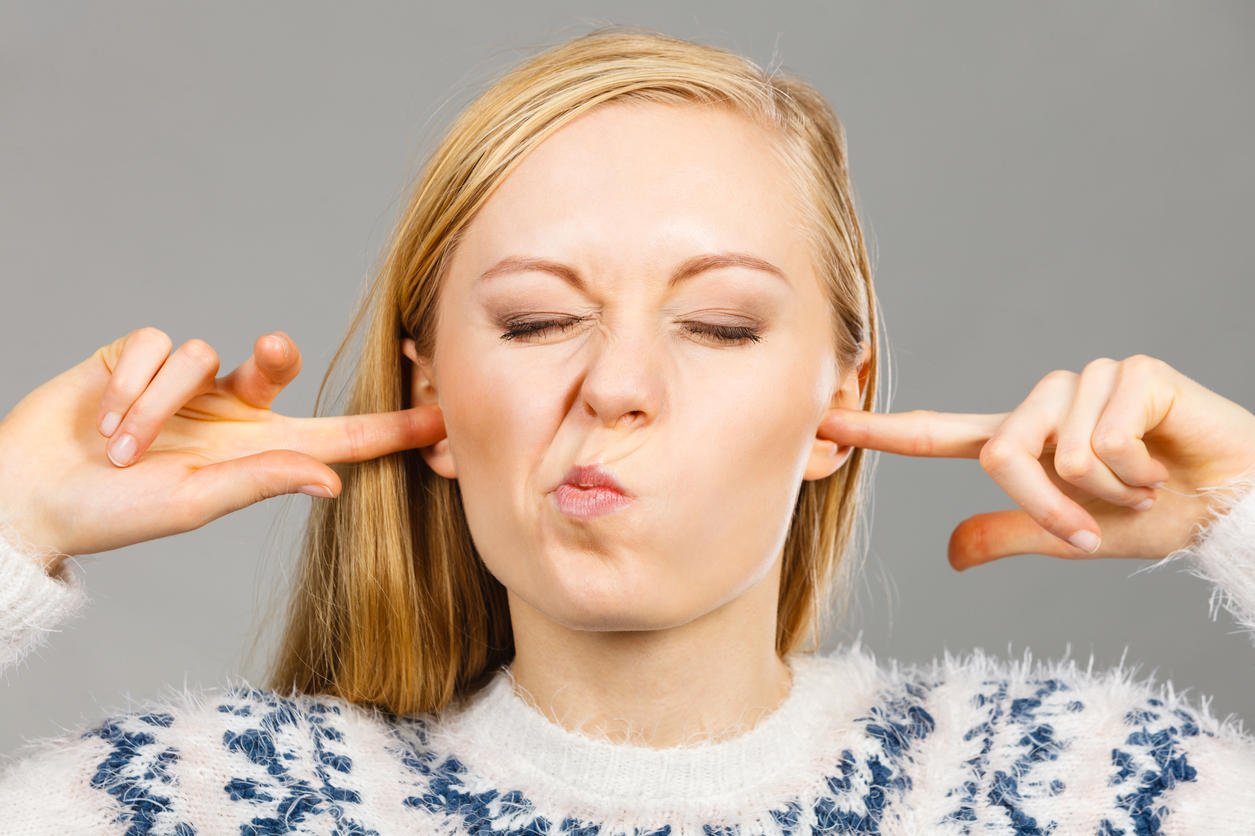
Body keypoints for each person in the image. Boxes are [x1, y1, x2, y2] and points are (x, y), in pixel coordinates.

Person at [2, 24, 1254, 834]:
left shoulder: (1090, 786)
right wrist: (15, 518)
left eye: (717, 325)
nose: (617, 384)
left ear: (837, 406)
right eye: (541, 320)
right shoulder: (192, 803)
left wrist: (1244, 508)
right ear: (432, 397)